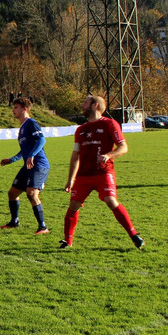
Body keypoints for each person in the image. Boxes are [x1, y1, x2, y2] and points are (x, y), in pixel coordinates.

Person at [60, 95, 145, 250]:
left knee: (111, 200)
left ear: (95, 105)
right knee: (73, 205)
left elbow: (123, 147)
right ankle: (67, 241)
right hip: (84, 175)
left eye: (85, 102)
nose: (82, 105)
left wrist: (109, 155)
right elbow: (75, 156)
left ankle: (134, 235)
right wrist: (71, 179)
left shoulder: (110, 124)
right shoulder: (81, 130)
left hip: (104, 172)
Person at [0, 97, 50, 234]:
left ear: (24, 109)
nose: (13, 110)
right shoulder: (22, 127)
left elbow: (41, 140)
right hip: (28, 165)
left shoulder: (31, 123)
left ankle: (43, 227)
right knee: (12, 193)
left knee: (31, 193)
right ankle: (14, 221)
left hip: (39, 165)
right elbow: (24, 150)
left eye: (16, 107)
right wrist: (11, 160)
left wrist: (32, 155)